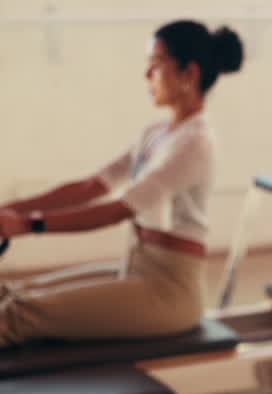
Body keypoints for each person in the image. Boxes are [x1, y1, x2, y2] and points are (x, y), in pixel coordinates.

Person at [0, 20, 243, 347]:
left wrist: (28, 225)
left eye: (155, 64)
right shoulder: (156, 134)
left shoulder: (195, 143)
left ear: (190, 74)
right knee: (12, 293)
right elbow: (91, 186)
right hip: (136, 267)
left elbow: (117, 211)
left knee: (16, 315)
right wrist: (10, 210)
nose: (147, 76)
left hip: (169, 289)